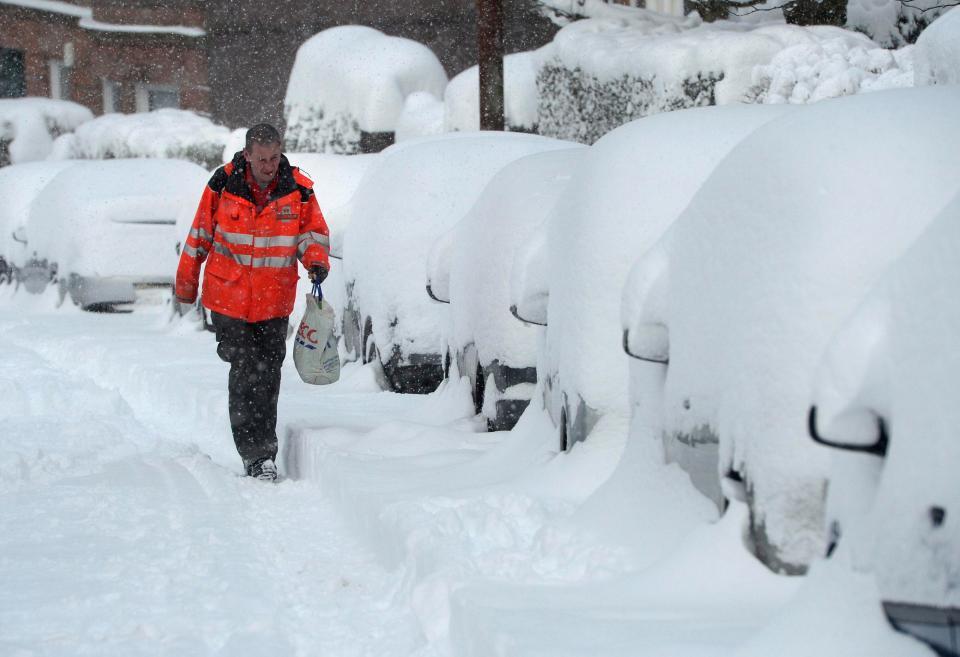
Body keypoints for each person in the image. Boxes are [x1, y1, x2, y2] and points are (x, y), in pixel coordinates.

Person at [175, 123, 330, 482]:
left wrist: (316, 260)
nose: (268, 165)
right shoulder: (224, 185)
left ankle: (265, 452)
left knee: (268, 375)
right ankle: (256, 455)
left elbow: (312, 232)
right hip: (228, 299)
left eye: (274, 158)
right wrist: (186, 285)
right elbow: (199, 234)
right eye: (261, 159)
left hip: (273, 301)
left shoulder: (298, 190)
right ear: (247, 155)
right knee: (245, 371)